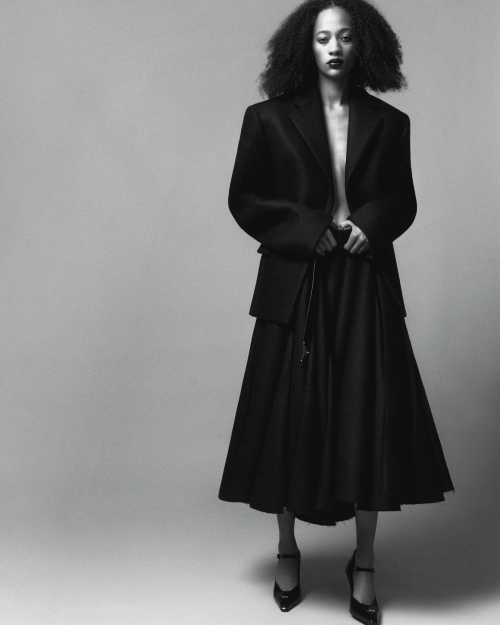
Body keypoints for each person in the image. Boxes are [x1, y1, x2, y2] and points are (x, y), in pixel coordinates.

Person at [218, 1, 453, 622]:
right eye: (323, 37)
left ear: (363, 45)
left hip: (365, 277)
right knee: (288, 417)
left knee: (368, 415)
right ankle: (287, 549)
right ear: (305, 44)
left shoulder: (391, 122)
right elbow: (244, 198)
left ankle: (365, 561)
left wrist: (370, 224)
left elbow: (402, 198)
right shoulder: (266, 118)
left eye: (345, 37)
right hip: (295, 281)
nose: (334, 47)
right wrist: (308, 229)